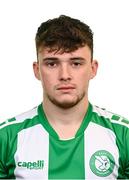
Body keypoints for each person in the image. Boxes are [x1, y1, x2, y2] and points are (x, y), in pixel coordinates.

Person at [0, 15, 129, 179]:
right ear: (37, 70)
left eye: (76, 63)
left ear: (93, 68)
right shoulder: (6, 138)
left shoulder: (124, 136)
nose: (65, 75)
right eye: (52, 64)